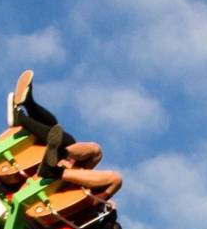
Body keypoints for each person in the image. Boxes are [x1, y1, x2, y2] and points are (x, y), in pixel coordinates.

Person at [8, 70, 123, 200]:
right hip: (69, 180)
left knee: (116, 179)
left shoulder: (92, 204)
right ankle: (27, 105)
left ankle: (53, 166)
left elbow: (113, 184)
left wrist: (103, 200)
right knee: (95, 150)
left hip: (63, 188)